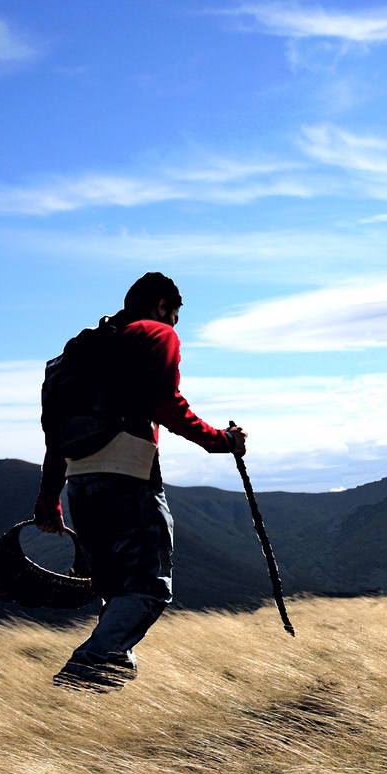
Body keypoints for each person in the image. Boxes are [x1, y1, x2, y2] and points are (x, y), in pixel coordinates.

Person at [33, 271, 245, 692]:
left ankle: (103, 687)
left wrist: (49, 500)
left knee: (116, 590)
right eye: (175, 316)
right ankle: (81, 676)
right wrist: (221, 441)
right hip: (129, 481)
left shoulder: (84, 351)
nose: (174, 325)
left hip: (80, 485)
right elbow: (165, 402)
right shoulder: (154, 333)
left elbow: (57, 432)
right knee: (148, 589)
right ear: (162, 306)